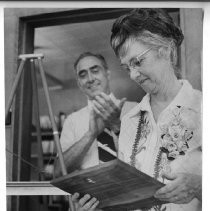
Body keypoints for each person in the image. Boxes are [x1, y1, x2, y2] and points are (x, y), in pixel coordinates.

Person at [109, 8, 202, 211]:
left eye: (138, 62)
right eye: (126, 68)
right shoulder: (130, 120)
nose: (133, 75)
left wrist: (201, 187)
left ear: (166, 49)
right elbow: (124, 193)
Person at [54, 52, 137, 210]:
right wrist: (90, 135)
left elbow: (149, 161)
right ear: (79, 83)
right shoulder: (72, 121)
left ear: (108, 74)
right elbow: (59, 172)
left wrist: (116, 126)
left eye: (95, 70)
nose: (90, 78)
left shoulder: (135, 109)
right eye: (83, 74)